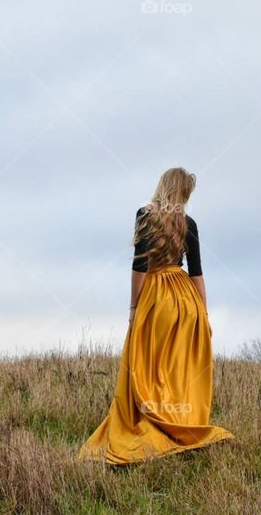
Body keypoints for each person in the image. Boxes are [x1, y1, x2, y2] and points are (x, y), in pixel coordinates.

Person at [77, 167, 234, 464]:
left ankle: (153, 422)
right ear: (182, 192)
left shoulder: (145, 215)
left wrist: (134, 309)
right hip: (186, 301)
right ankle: (179, 424)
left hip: (157, 298)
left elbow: (139, 267)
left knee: (150, 366)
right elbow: (197, 272)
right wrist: (203, 314)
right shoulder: (188, 223)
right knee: (176, 368)